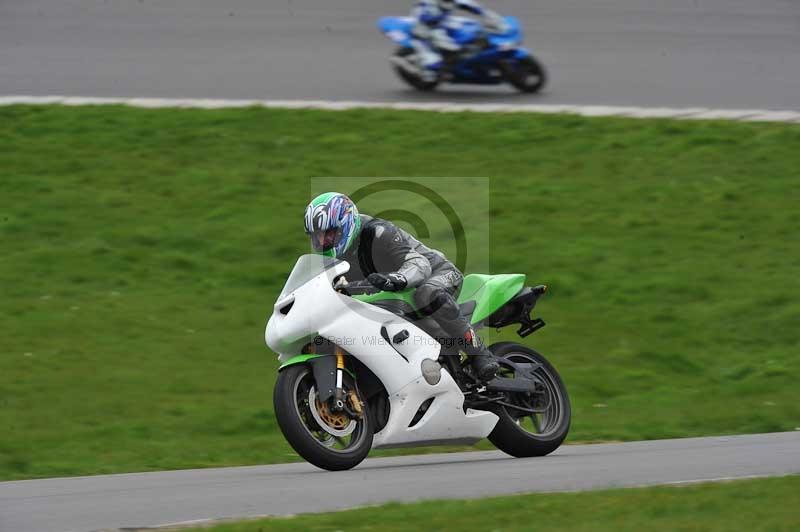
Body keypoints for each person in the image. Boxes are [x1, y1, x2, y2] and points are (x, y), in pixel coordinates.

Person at [303, 192, 500, 381]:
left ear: (346, 223)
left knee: (427, 293)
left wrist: (397, 278)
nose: (322, 241)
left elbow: (420, 264)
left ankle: (479, 354)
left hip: (437, 272)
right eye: (316, 237)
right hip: (398, 293)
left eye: (328, 234)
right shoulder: (331, 260)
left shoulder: (378, 232)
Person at [397, 0, 509, 81]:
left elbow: (467, 4)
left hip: (444, 23)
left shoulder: (449, 2)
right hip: (425, 30)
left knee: (470, 27)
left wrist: (485, 13)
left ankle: (472, 53)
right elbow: (422, 21)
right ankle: (437, 68)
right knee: (438, 58)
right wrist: (435, 22)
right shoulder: (426, 6)